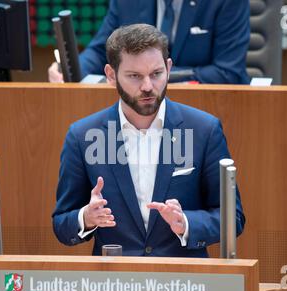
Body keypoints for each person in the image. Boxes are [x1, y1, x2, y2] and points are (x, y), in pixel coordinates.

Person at [52, 24, 245, 257]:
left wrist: (186, 222)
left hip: (184, 284)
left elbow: (232, 218)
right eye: (134, 76)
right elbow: (62, 224)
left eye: (156, 74)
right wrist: (86, 217)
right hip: (115, 284)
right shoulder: (82, 135)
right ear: (111, 76)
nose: (147, 87)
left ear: (168, 68)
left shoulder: (204, 130)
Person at [48, 0, 250, 84]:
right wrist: (71, 72)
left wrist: (147, 76)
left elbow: (228, 72)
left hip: (210, 110)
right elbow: (102, 51)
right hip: (137, 115)